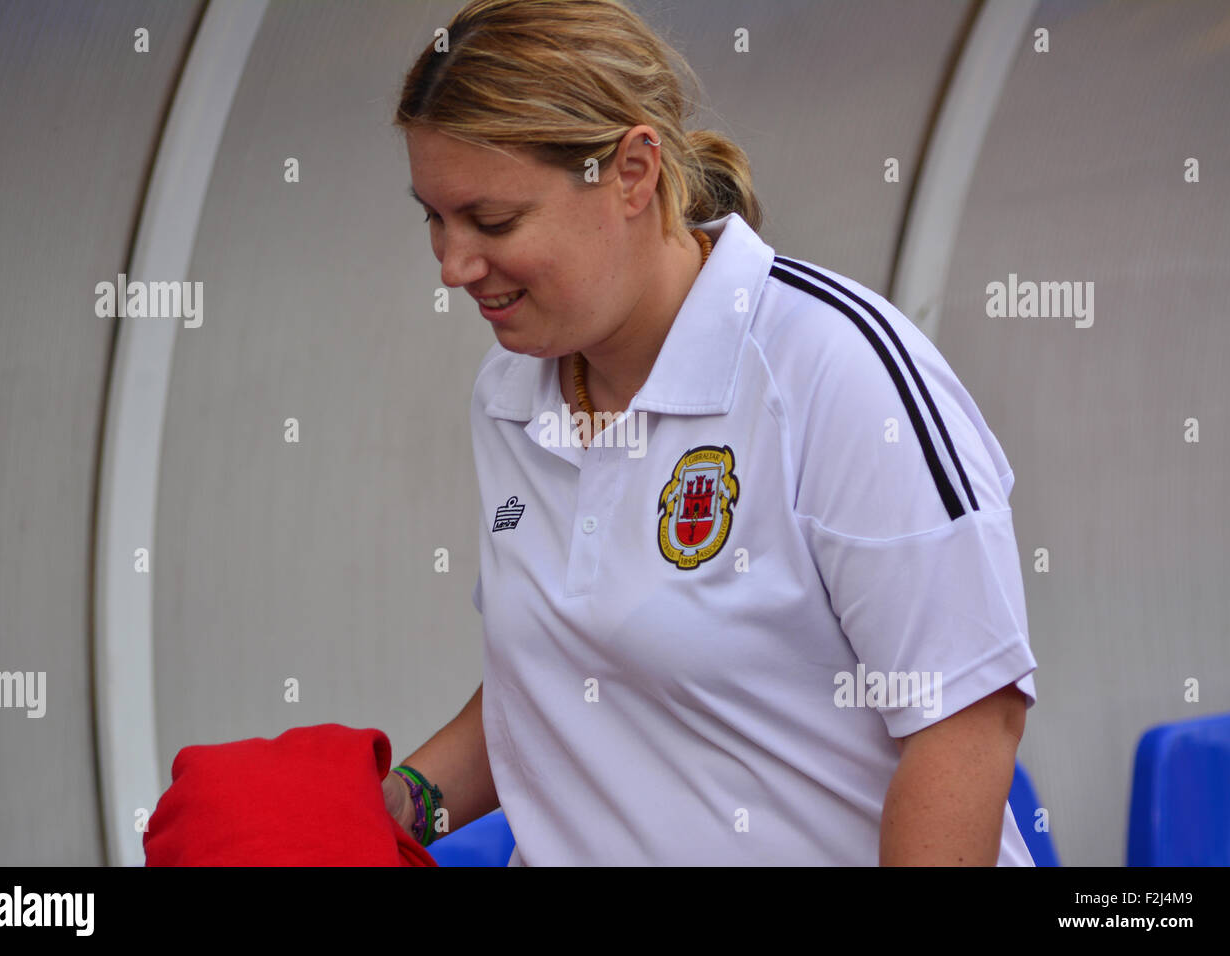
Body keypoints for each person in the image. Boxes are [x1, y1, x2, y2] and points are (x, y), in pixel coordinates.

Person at [383, 0, 1038, 865]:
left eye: (493, 222)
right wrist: (392, 808)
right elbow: (550, 686)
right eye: (433, 217)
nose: (453, 266)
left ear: (632, 171)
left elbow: (966, 718)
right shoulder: (510, 391)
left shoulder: (833, 368)